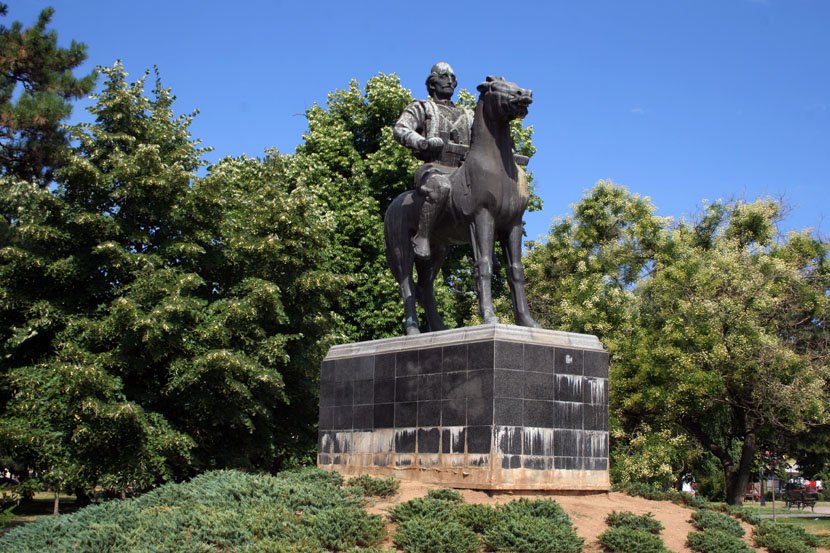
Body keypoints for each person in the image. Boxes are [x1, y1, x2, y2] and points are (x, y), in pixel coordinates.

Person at [393, 62, 473, 259]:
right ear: (432, 83)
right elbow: (401, 129)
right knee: (442, 187)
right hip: (434, 169)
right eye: (444, 76)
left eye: (453, 78)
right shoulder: (422, 107)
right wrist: (423, 142)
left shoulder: (468, 115)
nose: (450, 81)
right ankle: (422, 236)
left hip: (463, 172)